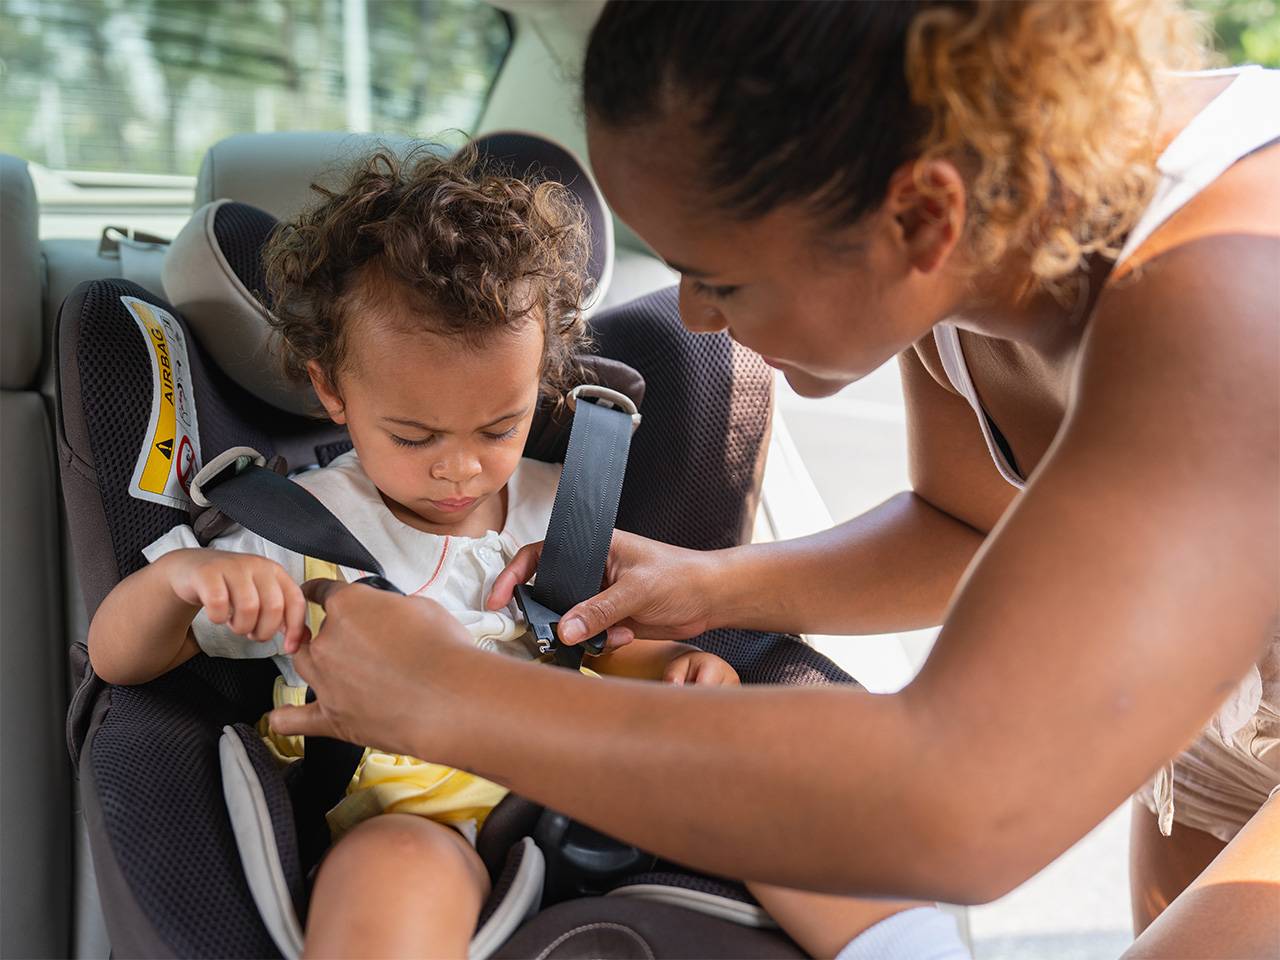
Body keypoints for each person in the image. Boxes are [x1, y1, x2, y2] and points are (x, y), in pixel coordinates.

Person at [267, 2, 1279, 956]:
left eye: (721, 277)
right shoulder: (960, 274)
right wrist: (705, 587)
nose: (697, 318)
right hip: (1217, 701)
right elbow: (966, 526)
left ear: (920, 214)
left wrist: (452, 693)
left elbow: (959, 808)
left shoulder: (1236, 285)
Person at [86, 148, 964, 958]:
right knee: (390, 871)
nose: (461, 465)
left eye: (498, 426)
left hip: (595, 768)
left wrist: (672, 673)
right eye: (415, 434)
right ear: (332, 389)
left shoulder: (563, 503)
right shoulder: (294, 528)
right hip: (416, 813)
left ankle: (904, 946)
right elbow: (119, 659)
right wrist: (183, 581)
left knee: (763, 792)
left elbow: (592, 648)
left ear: (542, 376)